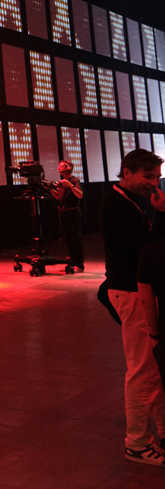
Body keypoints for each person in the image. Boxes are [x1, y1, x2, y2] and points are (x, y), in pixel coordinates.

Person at [100, 148, 165, 466]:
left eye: (157, 177)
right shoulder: (116, 206)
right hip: (130, 293)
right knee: (144, 370)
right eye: (148, 176)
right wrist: (162, 215)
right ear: (126, 172)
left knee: (154, 368)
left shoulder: (130, 201)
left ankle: (160, 434)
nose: (154, 183)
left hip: (136, 292)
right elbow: (146, 250)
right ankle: (137, 443)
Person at [49, 159, 84, 271]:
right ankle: (71, 262)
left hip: (73, 212)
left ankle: (79, 264)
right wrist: (50, 189)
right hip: (63, 212)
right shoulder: (61, 182)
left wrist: (69, 185)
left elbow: (80, 195)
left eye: (61, 166)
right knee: (67, 239)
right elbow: (58, 197)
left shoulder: (74, 180)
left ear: (68, 168)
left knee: (75, 238)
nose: (58, 168)